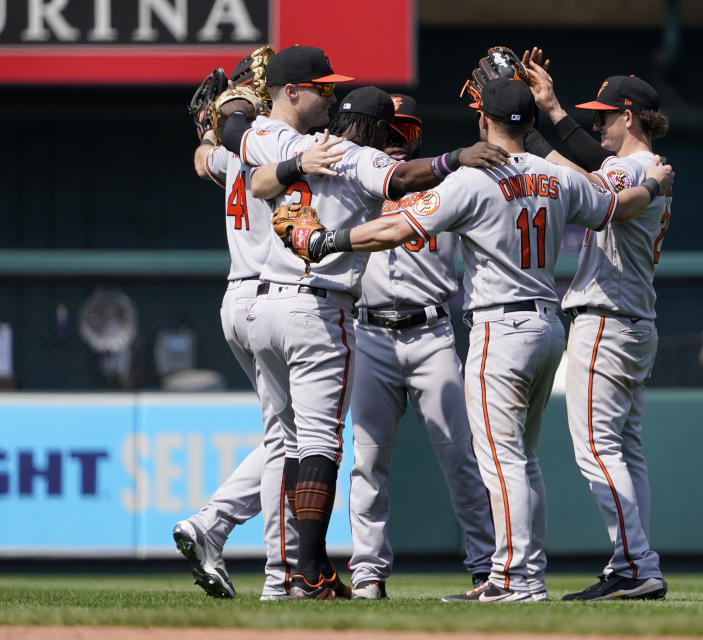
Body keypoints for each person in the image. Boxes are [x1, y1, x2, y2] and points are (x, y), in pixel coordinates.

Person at [289, 78, 674, 603]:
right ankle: (524, 574)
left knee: (502, 459)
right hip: (548, 326)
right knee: (525, 456)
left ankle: (514, 579)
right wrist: (652, 186)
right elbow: (615, 205)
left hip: (500, 326)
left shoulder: (474, 178)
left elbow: (393, 231)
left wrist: (325, 240)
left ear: (483, 123)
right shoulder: (557, 177)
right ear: (531, 124)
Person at [234, 56, 510, 599]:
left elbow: (245, 153)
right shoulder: (360, 157)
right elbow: (404, 176)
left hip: (281, 306)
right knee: (332, 449)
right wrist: (457, 158)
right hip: (337, 315)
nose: (394, 139)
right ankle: (328, 572)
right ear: (372, 128)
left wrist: (257, 136)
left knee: (291, 443)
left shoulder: (288, 142)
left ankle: (290, 573)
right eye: (389, 129)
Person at [176, 57, 341, 601]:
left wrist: (208, 130)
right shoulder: (273, 139)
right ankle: (282, 572)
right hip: (275, 290)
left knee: (285, 439)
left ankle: (218, 527)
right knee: (289, 443)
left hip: (239, 296)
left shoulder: (236, 147)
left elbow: (206, 160)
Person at [522, 54, 670, 601]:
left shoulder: (637, 172)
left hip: (606, 320)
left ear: (629, 116)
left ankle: (634, 564)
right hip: (633, 320)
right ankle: (635, 560)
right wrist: (544, 114)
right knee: (625, 449)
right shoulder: (645, 169)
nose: (598, 125)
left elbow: (581, 175)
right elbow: (581, 167)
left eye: (606, 116)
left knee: (597, 450)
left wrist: (533, 124)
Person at [347, 94, 495, 600]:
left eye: (402, 128)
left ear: (415, 134)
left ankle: (485, 568)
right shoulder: (353, 180)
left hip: (431, 333)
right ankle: (367, 573)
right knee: (368, 462)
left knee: (462, 460)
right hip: (369, 333)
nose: (393, 137)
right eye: (386, 128)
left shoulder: (449, 183)